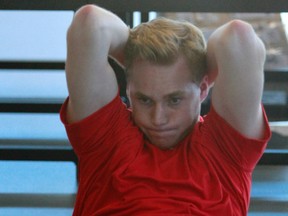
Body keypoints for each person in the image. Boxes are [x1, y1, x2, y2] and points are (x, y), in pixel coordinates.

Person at [60, 4, 271, 216]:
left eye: (174, 100)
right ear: (129, 88)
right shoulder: (107, 141)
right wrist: (137, 58)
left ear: (203, 89)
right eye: (144, 100)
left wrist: (196, 64)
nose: (158, 119)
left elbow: (238, 38)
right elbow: (90, 23)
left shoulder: (225, 148)